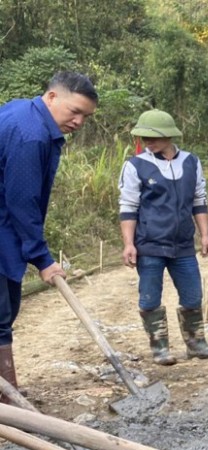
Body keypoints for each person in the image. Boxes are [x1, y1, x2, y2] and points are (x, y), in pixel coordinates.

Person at [0, 72, 98, 401]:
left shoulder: (21, 112)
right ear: (52, 97)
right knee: (1, 315)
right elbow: (22, 201)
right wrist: (42, 259)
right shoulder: (30, 135)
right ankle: (7, 400)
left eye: (85, 116)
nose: (79, 121)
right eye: (74, 111)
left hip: (6, 229)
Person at [119, 109, 208, 365]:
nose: (148, 142)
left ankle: (197, 344)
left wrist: (205, 235)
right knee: (150, 297)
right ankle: (160, 349)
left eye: (153, 137)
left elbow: (199, 200)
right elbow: (128, 206)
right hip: (150, 245)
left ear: (169, 136)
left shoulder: (191, 162)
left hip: (183, 245)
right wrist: (129, 244)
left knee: (192, 296)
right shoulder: (136, 166)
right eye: (144, 137)